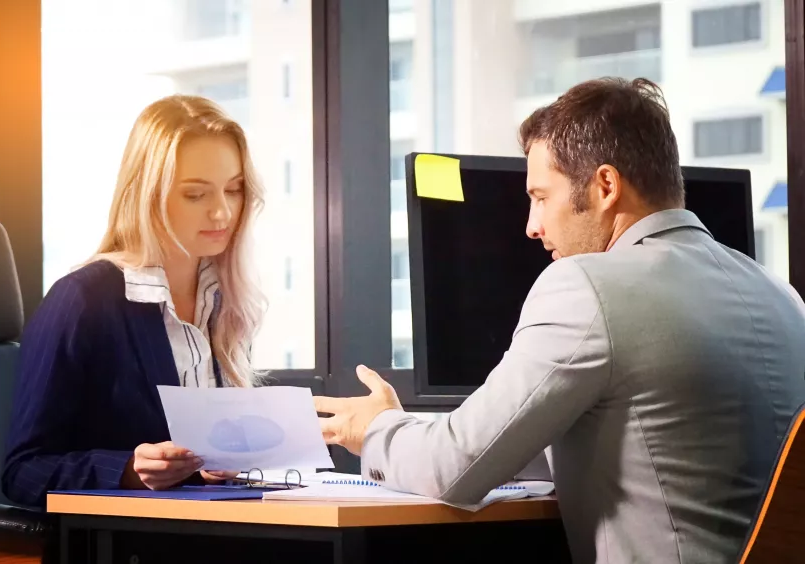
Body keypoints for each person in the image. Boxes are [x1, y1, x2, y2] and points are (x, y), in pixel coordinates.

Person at [314, 78, 805, 563]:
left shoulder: (587, 286)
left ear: (606, 186)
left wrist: (377, 429)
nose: (533, 225)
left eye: (541, 197)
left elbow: (455, 468)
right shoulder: (784, 298)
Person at [1, 95, 266, 508]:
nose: (221, 213)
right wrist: (127, 470)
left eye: (233, 190)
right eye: (196, 195)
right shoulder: (81, 300)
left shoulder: (226, 299)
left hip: (220, 525)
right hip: (132, 539)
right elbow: (22, 472)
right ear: (147, 195)